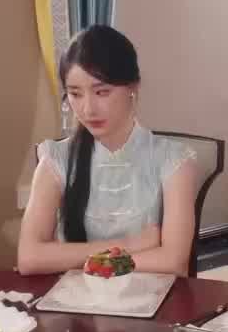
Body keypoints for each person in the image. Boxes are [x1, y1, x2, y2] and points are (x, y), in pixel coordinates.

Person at [17, 26, 197, 277]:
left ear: (133, 87)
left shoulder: (174, 160)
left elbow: (173, 262)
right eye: (75, 94)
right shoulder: (56, 158)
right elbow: (29, 258)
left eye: (102, 92)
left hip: (152, 296)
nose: (88, 109)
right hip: (75, 297)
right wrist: (130, 245)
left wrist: (70, 259)